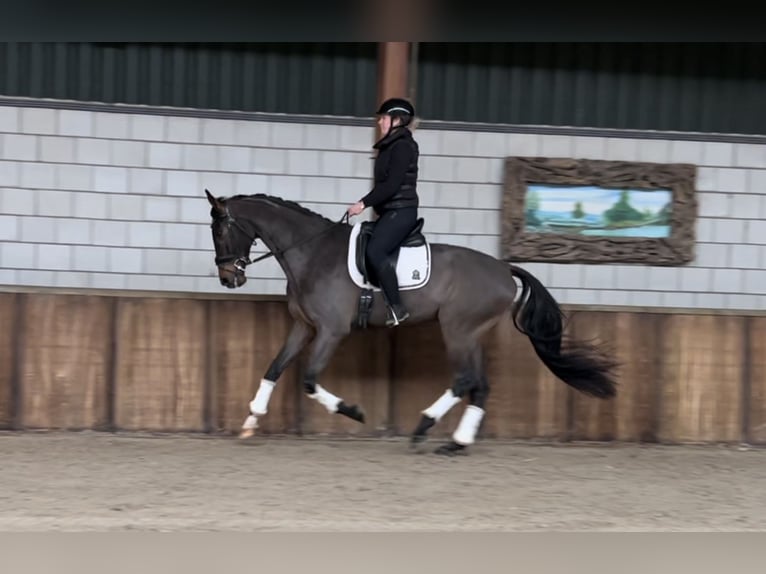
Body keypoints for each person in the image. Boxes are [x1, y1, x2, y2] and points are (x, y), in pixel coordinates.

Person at [346, 97, 420, 327]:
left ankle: (397, 308)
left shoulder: (403, 146)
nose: (380, 122)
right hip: (390, 212)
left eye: (383, 118)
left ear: (397, 120)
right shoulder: (391, 145)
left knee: (375, 250)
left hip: (402, 211)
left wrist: (362, 204)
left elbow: (392, 185)